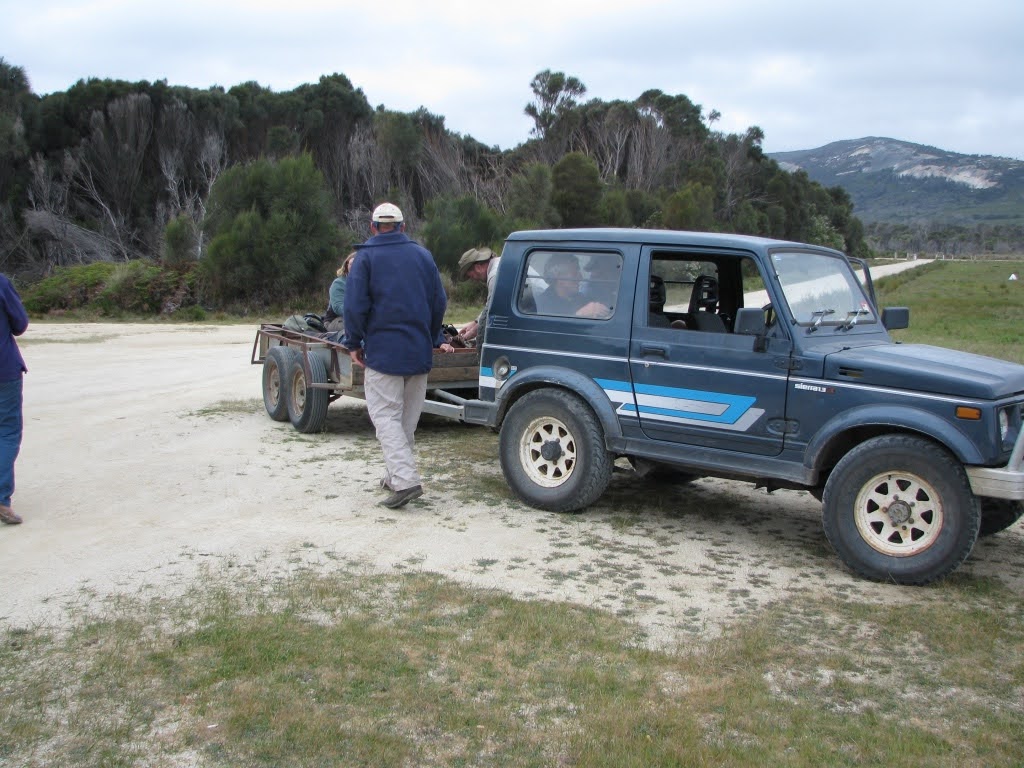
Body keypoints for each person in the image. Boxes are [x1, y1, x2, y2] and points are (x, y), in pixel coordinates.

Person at [342, 202, 453, 509]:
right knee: (406, 421)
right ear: (403, 227)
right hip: (418, 353)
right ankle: (396, 476)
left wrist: (353, 341)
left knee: (385, 417)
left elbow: (354, 307)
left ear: (373, 227)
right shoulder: (422, 256)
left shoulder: (365, 258)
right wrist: (432, 335)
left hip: (383, 353)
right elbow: (439, 301)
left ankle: (405, 481)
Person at [0, 274, 28, 526]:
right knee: (7, 432)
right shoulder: (1, 282)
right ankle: (0, 498)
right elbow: (19, 324)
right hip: (3, 369)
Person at [534, 253, 612, 319]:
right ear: (559, 278)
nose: (581, 277)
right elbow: (550, 331)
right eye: (574, 273)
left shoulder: (581, 298)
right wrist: (580, 314)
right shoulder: (541, 305)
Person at [455, 246, 499, 345]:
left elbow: (492, 312)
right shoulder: (498, 264)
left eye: (471, 275)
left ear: (478, 268)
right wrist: (475, 323)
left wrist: (472, 333)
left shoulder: (495, 275)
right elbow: (490, 306)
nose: (473, 279)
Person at [323, 252, 356, 333]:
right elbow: (338, 307)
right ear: (346, 266)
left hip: (359, 319)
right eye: (352, 264)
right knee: (354, 327)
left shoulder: (367, 283)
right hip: (336, 320)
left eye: (358, 263)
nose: (354, 266)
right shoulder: (339, 283)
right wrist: (358, 314)